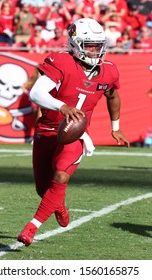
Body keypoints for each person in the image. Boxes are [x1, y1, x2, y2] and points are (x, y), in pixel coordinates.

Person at [17, 17, 130, 247]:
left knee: (61, 176)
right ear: (75, 44)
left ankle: (31, 228)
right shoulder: (61, 62)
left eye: (98, 45)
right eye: (89, 45)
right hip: (48, 130)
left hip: (75, 134)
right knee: (44, 188)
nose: (95, 50)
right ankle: (58, 204)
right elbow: (36, 93)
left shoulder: (108, 71)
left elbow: (112, 96)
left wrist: (115, 128)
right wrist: (62, 106)